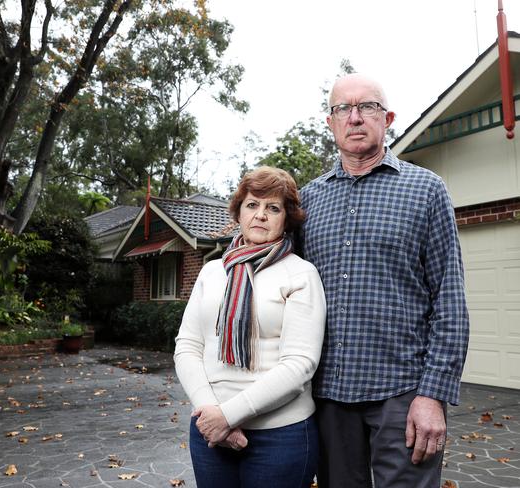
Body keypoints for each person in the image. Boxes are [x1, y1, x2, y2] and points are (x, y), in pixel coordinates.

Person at [298, 73, 470, 488]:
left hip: (403, 394)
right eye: (344, 108)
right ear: (331, 122)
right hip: (328, 396)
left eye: (368, 107)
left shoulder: (425, 189)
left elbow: (449, 302)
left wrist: (433, 395)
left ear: (387, 117)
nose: (355, 117)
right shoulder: (307, 200)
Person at [174, 166, 326, 488]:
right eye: (252, 205)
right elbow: (188, 346)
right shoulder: (212, 272)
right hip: (209, 430)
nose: (261, 215)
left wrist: (228, 417)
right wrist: (210, 413)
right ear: (238, 213)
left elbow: (300, 365)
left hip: (280, 437)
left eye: (273, 208)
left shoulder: (301, 274)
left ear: (286, 218)